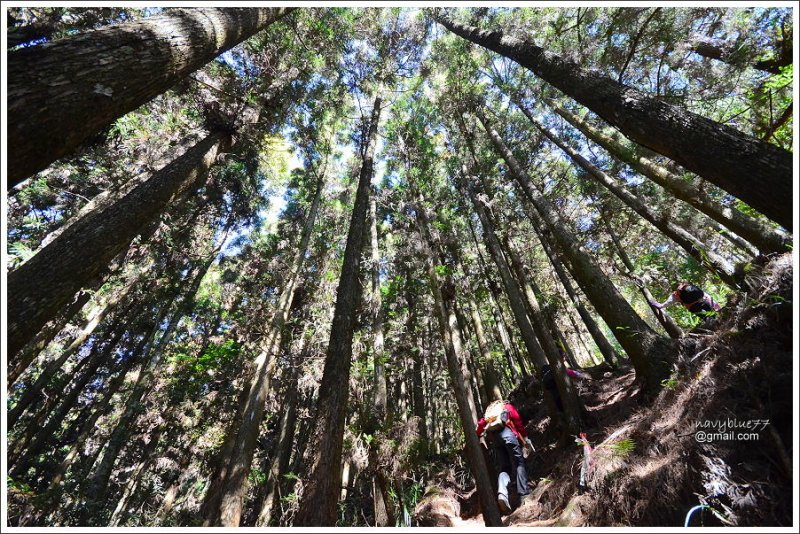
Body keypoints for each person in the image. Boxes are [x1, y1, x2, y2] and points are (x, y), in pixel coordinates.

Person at [476, 400, 534, 514]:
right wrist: (525, 436)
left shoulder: (490, 413)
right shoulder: (507, 406)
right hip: (508, 434)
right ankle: (524, 493)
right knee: (519, 462)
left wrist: (478, 434)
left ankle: (502, 493)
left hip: (496, 440)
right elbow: (517, 421)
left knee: (504, 467)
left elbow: (481, 424)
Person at [649, 282, 721, 319]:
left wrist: (655, 304)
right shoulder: (689, 286)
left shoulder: (676, 295)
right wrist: (715, 304)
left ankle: (713, 324)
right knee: (714, 315)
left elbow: (664, 304)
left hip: (693, 307)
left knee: (706, 318)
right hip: (704, 301)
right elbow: (704, 294)